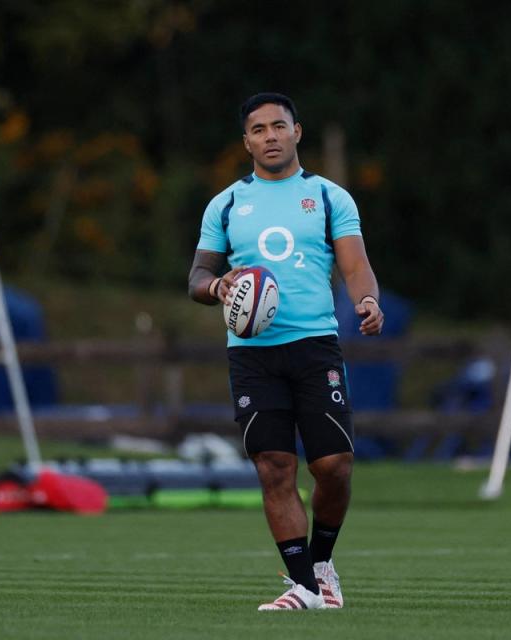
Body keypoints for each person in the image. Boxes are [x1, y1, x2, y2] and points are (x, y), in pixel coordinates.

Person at [188, 92, 384, 611]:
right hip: (252, 355)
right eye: (259, 129)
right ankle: (301, 585)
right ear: (246, 141)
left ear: (297, 132)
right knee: (274, 466)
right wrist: (217, 288)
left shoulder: (327, 197)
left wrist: (366, 299)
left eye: (279, 126)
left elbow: (355, 264)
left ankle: (322, 565)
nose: (270, 136)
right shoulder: (226, 204)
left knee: (335, 465)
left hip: (315, 348)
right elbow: (198, 277)